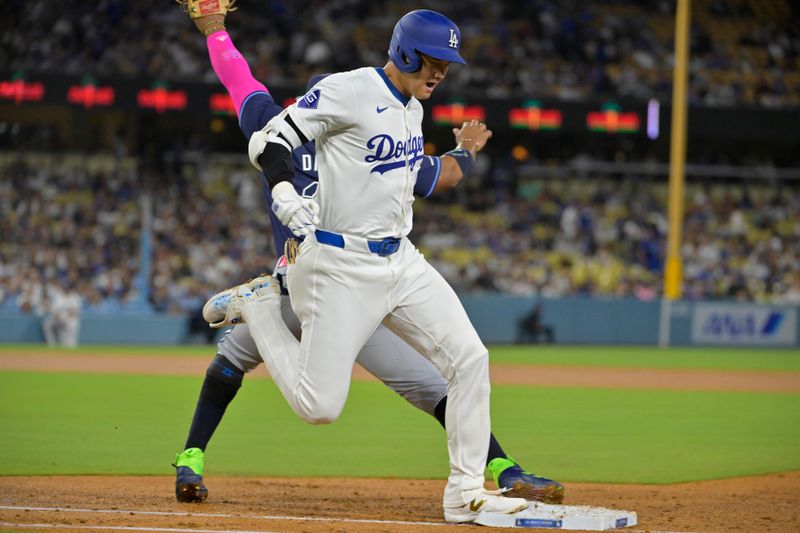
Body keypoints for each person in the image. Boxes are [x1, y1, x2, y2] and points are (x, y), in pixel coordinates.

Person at [177, 1, 562, 522]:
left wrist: (217, 32)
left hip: (398, 263)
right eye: (431, 61)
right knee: (317, 406)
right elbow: (271, 137)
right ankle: (257, 308)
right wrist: (463, 154)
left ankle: (470, 488)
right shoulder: (344, 93)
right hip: (331, 270)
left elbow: (237, 77)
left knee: (469, 359)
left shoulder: (410, 107)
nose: (441, 72)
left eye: (445, 64)